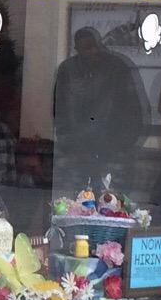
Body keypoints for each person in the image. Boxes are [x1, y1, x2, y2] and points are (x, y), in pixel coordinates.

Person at [52, 27, 146, 190]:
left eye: (94, 45)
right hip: (78, 147)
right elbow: (60, 109)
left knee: (113, 201)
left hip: (113, 144)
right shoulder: (68, 70)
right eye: (86, 48)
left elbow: (132, 109)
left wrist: (124, 144)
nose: (92, 51)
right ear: (77, 50)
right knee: (80, 202)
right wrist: (67, 142)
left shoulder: (116, 67)